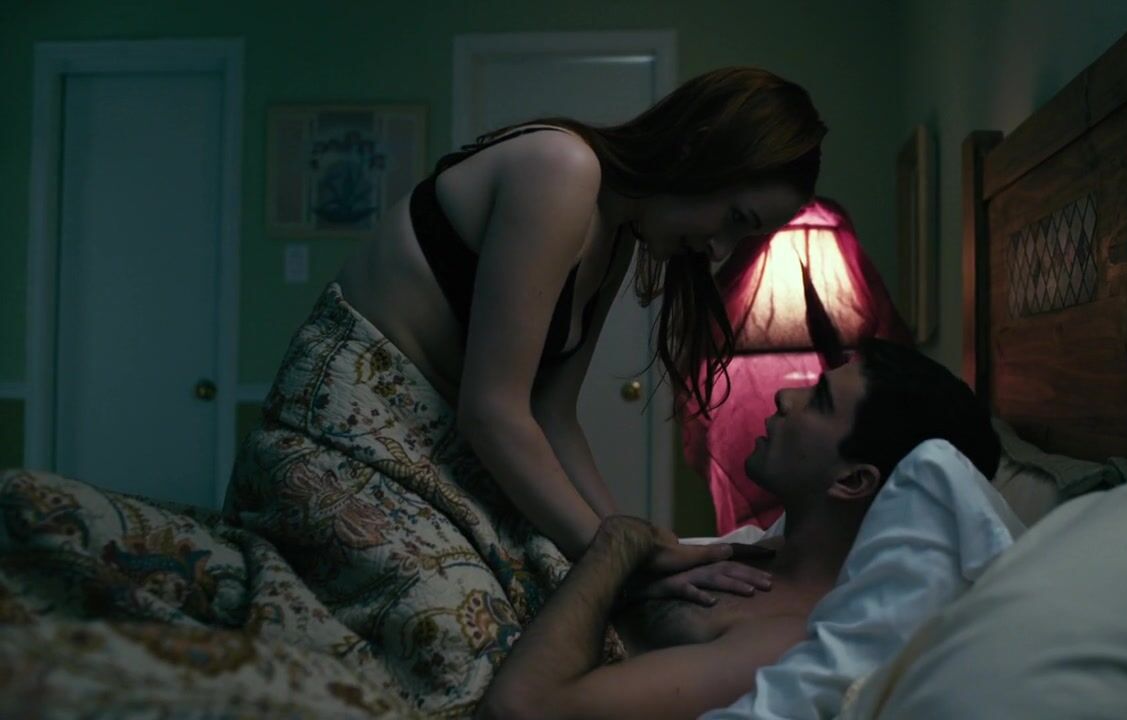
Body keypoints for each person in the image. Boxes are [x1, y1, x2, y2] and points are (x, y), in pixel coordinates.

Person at [225, 67, 825, 712]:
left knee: (571, 610)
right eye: (733, 218)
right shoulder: (560, 169)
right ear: (697, 147)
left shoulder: (618, 236)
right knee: (466, 647)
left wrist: (638, 544)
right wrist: (617, 554)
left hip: (428, 462)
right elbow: (492, 411)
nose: (719, 249)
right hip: (332, 449)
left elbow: (553, 415)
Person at [477, 338, 1002, 720]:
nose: (785, 397)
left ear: (852, 480)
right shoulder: (749, 557)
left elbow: (525, 709)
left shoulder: (783, 641)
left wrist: (619, 543)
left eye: (818, 401)